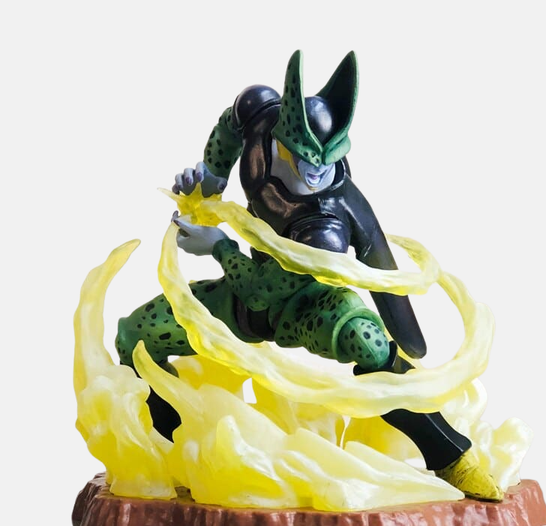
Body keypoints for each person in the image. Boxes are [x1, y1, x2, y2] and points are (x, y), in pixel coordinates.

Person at [117, 50, 503, 501]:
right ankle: (176, 445)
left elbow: (262, 293)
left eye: (329, 160)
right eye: (306, 159)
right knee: (136, 336)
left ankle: (452, 457)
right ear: (281, 137)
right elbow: (229, 126)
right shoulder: (259, 115)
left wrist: (218, 246)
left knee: (370, 345)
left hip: (309, 304)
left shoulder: (326, 228)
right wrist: (211, 175)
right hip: (244, 291)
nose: (318, 172)